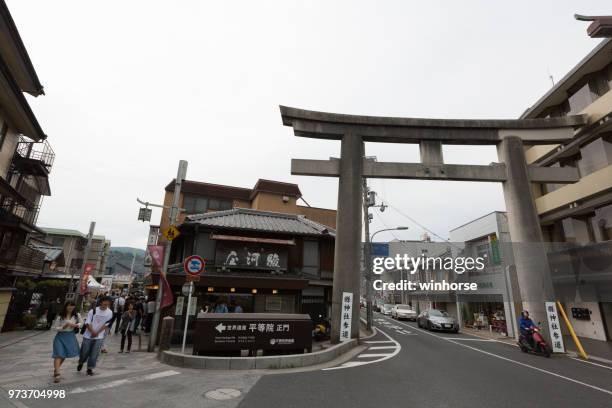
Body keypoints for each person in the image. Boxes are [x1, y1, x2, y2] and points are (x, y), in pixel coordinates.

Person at [78, 296, 113, 376]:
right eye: (104, 304)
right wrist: (92, 332)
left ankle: (90, 368)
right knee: (84, 351)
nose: (105, 306)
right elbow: (87, 322)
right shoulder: (93, 311)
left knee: (95, 353)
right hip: (88, 335)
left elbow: (106, 324)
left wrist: (97, 332)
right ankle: (81, 362)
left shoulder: (109, 312)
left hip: (99, 336)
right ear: (100, 302)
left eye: (107, 304)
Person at [51, 301, 83, 383]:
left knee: (63, 355)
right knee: (58, 354)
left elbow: (82, 323)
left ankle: (56, 369)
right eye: (69, 306)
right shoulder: (60, 316)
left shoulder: (77, 315)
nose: (70, 308)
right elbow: (54, 328)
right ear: (65, 306)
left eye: (72, 306)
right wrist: (62, 327)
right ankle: (57, 373)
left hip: (70, 336)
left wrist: (75, 325)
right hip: (60, 336)